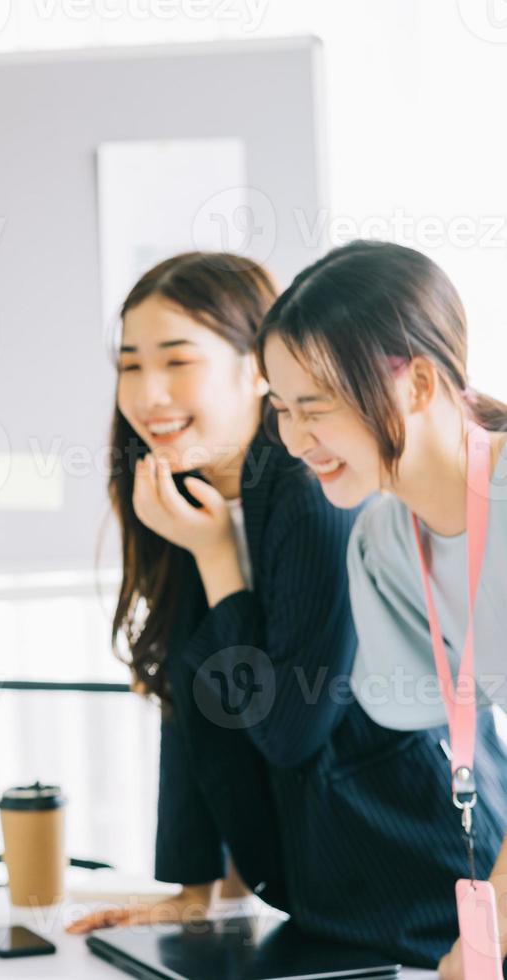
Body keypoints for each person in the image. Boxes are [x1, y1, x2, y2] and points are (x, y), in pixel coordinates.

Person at [66, 251, 507, 968]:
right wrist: (194, 885)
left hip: (422, 871)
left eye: (177, 361)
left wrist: (218, 563)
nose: (149, 394)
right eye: (129, 365)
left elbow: (292, 726)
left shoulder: (319, 494)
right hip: (342, 891)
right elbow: (197, 696)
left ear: (251, 370)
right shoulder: (206, 494)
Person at [259, 240, 507, 978]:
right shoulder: (383, 538)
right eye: (280, 411)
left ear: (420, 382)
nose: (296, 440)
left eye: (317, 407)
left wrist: (486, 937)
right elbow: (411, 705)